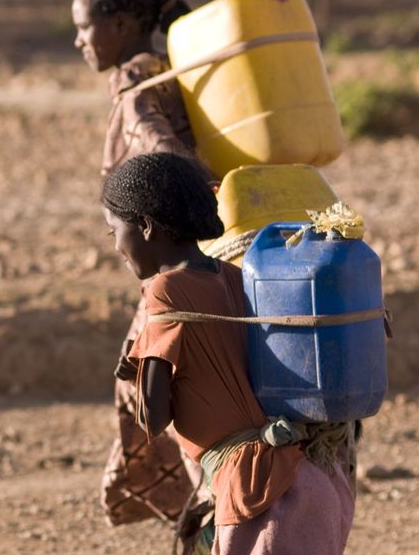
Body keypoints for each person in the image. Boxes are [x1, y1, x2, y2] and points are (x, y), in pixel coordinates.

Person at [102, 153, 355, 555]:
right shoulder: (237, 276)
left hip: (256, 489)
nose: (115, 246)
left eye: (114, 230)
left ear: (146, 227)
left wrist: (142, 363)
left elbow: (154, 418)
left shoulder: (165, 290)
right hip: (305, 475)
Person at [72, 0, 205, 532]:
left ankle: (207, 513)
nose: (78, 40)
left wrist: (190, 187)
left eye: (84, 27)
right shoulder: (171, 67)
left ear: (122, 23)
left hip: (184, 266)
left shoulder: (135, 86)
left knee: (156, 393)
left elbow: (163, 152)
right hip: (214, 257)